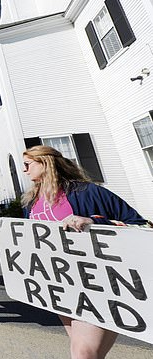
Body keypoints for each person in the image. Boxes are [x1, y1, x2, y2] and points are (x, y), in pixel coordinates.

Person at [22, 145, 146, 359]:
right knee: (83, 351)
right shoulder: (31, 203)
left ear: (46, 162)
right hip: (61, 284)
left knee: (83, 353)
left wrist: (94, 222)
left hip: (100, 283)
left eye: (27, 164)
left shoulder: (86, 192)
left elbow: (140, 226)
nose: (24, 170)